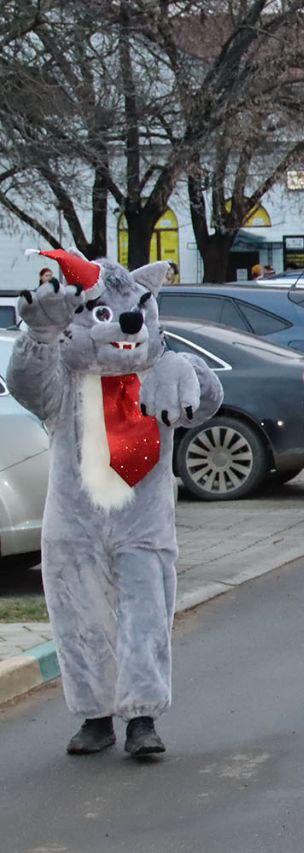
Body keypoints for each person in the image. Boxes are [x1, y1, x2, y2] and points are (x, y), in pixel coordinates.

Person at [10, 249, 224, 758]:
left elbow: (206, 402)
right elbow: (24, 385)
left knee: (145, 617)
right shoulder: (65, 382)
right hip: (75, 523)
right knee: (80, 618)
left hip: (142, 524)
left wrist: (185, 368)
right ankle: (94, 715)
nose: (125, 325)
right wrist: (39, 338)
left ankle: (142, 716)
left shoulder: (158, 374)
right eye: (102, 314)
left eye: (134, 314)